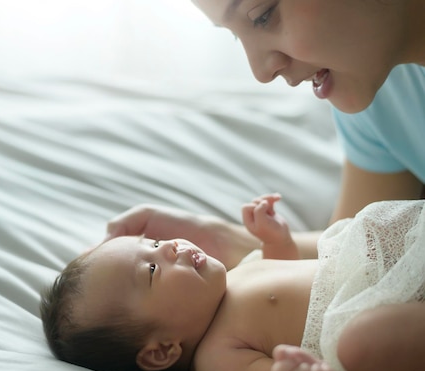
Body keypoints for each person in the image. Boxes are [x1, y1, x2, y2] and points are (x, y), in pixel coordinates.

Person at [105, 0, 425, 271]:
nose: (261, 72)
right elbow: (360, 251)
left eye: (262, 15)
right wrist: (231, 242)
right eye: (235, 37)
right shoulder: (377, 86)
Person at [40, 195, 425, 371]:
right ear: (160, 352)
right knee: (362, 343)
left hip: (395, 269)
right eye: (153, 269)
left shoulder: (236, 273)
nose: (171, 246)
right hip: (380, 319)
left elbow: (289, 271)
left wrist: (276, 241)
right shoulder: (217, 358)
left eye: (154, 243)